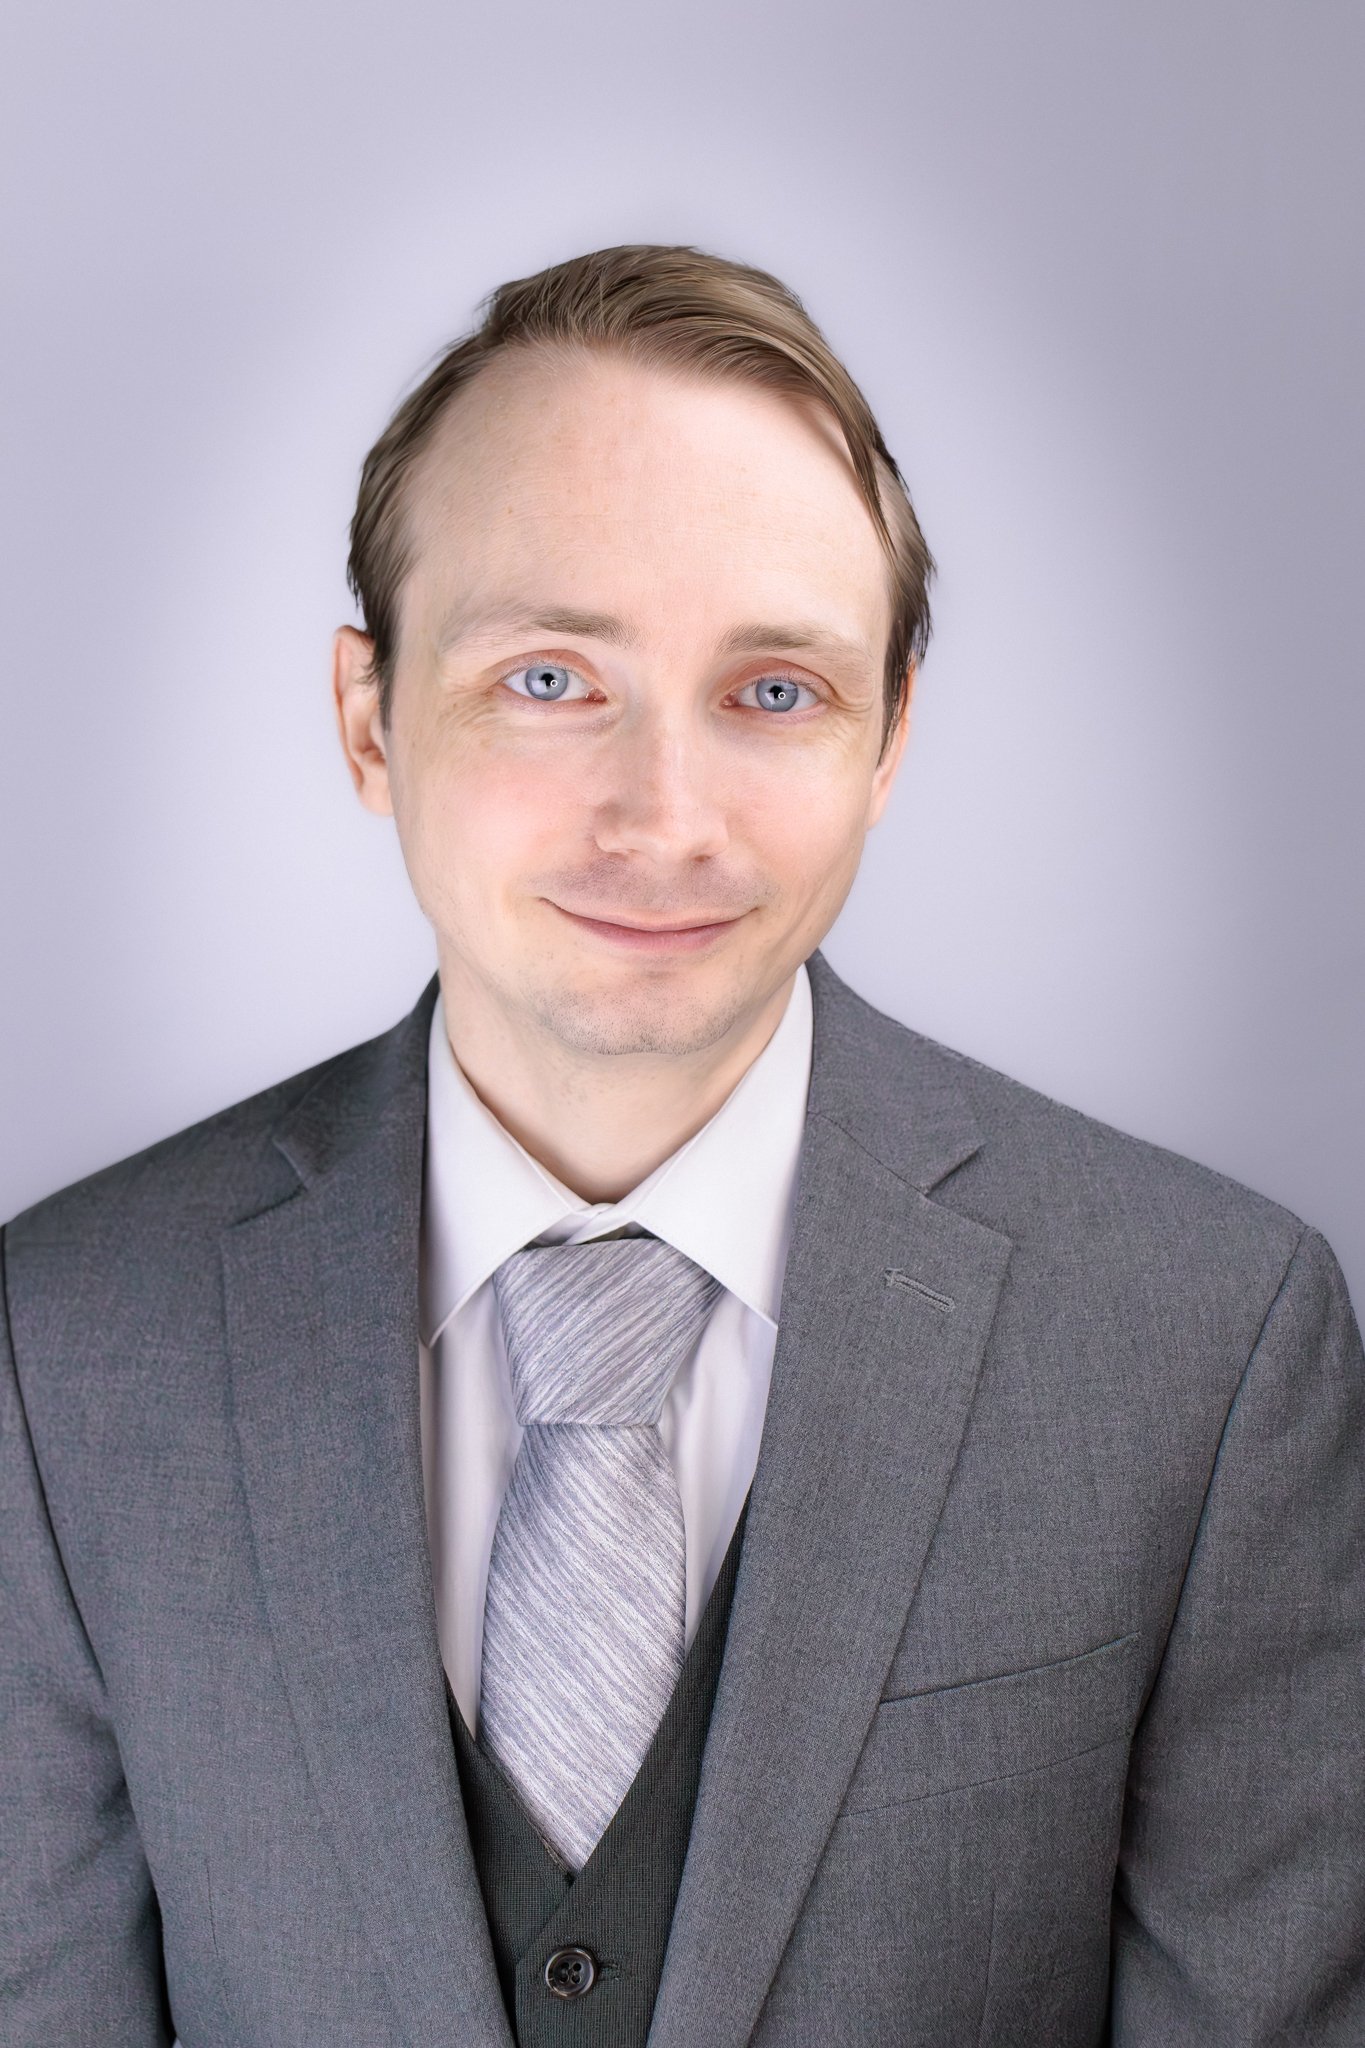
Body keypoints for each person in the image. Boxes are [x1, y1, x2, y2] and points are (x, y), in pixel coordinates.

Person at [2, 242, 1361, 2048]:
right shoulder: (64, 1342)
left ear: (887, 742)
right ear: (368, 720)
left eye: (774, 691)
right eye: (551, 680)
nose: (664, 816)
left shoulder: (1209, 1339)